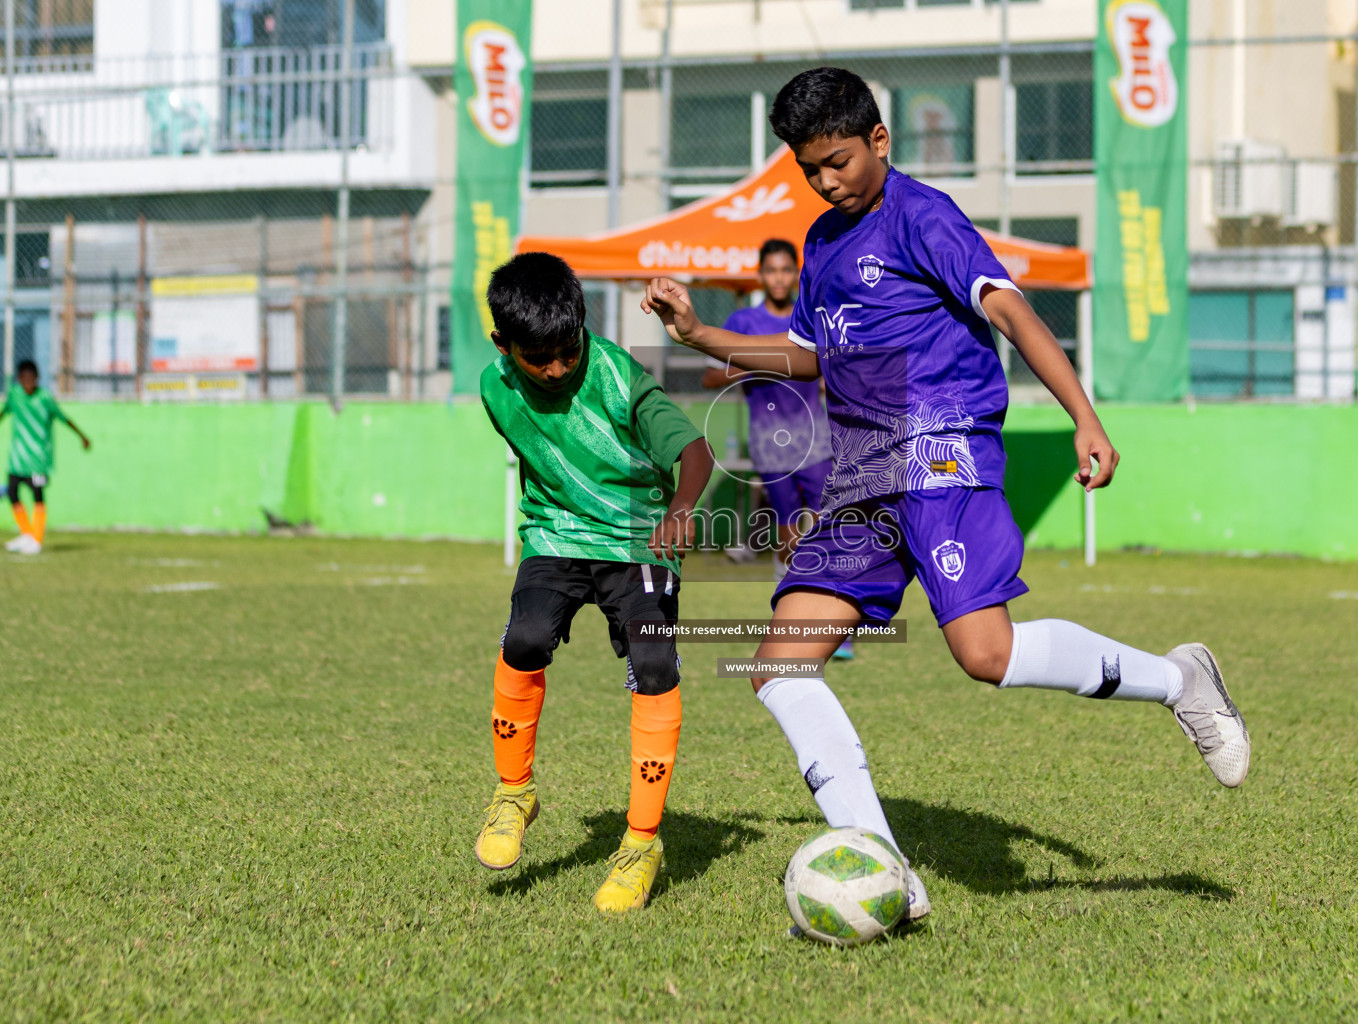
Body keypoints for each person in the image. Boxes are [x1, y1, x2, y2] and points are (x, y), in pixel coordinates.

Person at [642, 67, 1249, 924]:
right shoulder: (819, 243)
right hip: (862, 470)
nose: (826, 181)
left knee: (985, 655)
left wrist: (1084, 417)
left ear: (879, 142)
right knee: (779, 667)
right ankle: (885, 865)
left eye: (839, 161)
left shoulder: (923, 216)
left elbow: (1010, 310)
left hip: (941, 449)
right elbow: (815, 356)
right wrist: (702, 331)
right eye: (809, 169)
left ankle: (1178, 679)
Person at [475, 252, 713, 912]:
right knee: (524, 638)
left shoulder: (616, 376)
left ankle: (640, 843)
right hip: (556, 534)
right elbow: (542, 469)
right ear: (504, 345)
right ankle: (514, 792)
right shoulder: (496, 389)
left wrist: (682, 508)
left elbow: (695, 452)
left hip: (640, 534)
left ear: (582, 325)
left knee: (654, 662)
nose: (555, 367)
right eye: (538, 357)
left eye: (566, 349)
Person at [702, 239, 853, 660]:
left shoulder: (812, 315)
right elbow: (710, 378)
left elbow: (833, 364)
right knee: (787, 535)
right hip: (770, 444)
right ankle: (791, 615)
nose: (780, 278)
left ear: (796, 273)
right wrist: (755, 363)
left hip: (818, 439)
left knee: (829, 526)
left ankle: (838, 625)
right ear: (761, 275)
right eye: (772, 271)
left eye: (787, 270)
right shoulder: (745, 321)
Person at [2, 359, 90, 556]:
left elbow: (64, 418)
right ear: (19, 379)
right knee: (13, 494)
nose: (27, 383)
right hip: (17, 458)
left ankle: (37, 539)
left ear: (37, 379)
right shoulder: (14, 395)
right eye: (23, 379)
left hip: (38, 459)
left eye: (31, 379)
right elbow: (4, 413)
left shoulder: (45, 398)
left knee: (38, 496)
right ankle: (26, 533)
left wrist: (82, 436)